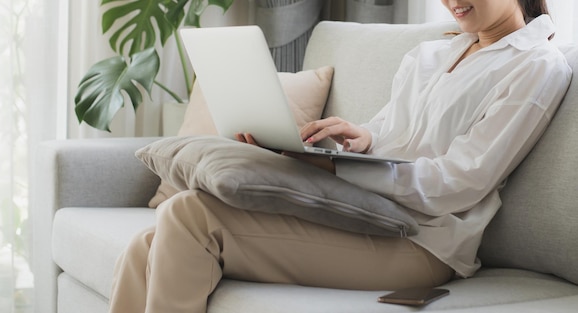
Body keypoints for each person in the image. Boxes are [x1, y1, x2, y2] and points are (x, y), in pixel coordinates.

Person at [109, 0, 572, 312]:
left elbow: (461, 182)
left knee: (190, 214)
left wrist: (337, 167)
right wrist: (358, 140)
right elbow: (392, 130)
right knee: (143, 245)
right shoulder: (432, 54)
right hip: (361, 211)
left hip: (420, 241)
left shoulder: (535, 66)